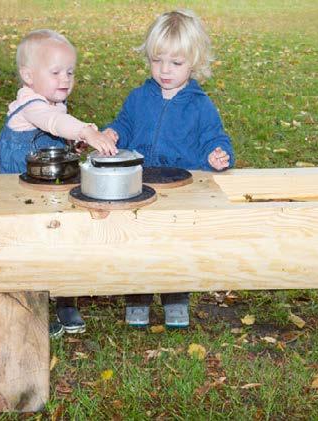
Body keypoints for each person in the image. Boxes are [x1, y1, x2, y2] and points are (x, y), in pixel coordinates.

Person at [103, 9, 235, 329]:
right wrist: (112, 132)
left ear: (194, 63)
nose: (164, 70)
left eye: (175, 64)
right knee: (140, 243)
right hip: (141, 186)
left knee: (176, 244)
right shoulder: (138, 98)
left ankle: (176, 297)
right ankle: (138, 296)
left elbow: (215, 138)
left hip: (181, 188)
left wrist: (219, 154)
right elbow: (124, 123)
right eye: (157, 60)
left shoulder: (200, 105)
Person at [0, 29, 118, 338]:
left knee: (62, 238)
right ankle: (32, 307)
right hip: (22, 194)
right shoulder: (30, 106)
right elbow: (53, 123)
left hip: (50, 188)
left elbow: (59, 131)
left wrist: (74, 147)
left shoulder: (53, 103)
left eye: (70, 71)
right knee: (28, 247)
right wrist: (87, 132)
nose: (65, 78)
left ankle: (65, 298)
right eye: (55, 72)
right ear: (28, 75)